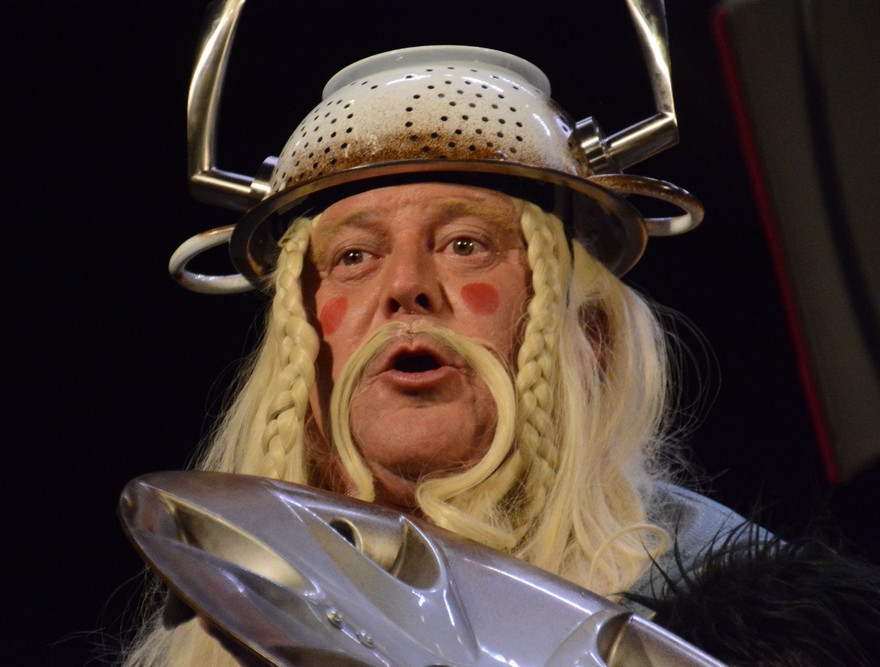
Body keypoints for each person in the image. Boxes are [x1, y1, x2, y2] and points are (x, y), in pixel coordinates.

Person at [121, 6, 878, 666]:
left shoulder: (719, 613)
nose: (405, 286)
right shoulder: (221, 616)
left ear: (588, 334)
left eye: (465, 245)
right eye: (353, 257)